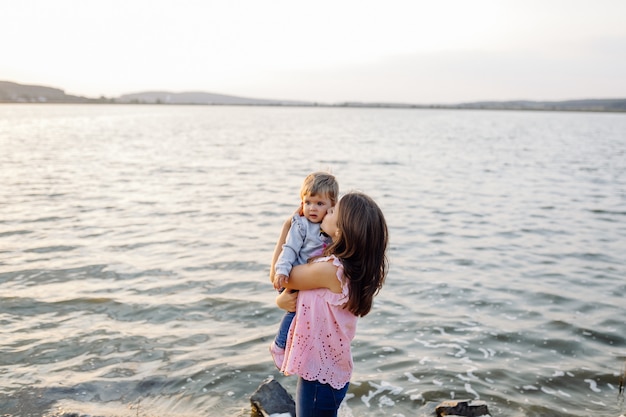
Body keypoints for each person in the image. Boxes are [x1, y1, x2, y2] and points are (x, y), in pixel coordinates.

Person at [273, 192, 389, 417]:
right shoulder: (346, 268)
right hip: (326, 368)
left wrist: (287, 229)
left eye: (333, 211)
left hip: (320, 377)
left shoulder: (331, 270)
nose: (327, 210)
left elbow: (278, 276)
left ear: (342, 229)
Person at [269, 172, 339, 369]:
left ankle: (297, 349)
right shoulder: (301, 225)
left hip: (309, 279)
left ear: (332, 206)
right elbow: (289, 248)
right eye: (307, 202)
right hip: (292, 275)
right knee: (295, 314)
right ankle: (279, 345)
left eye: (319, 203)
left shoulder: (330, 227)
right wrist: (282, 271)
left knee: (306, 316)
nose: (312, 208)